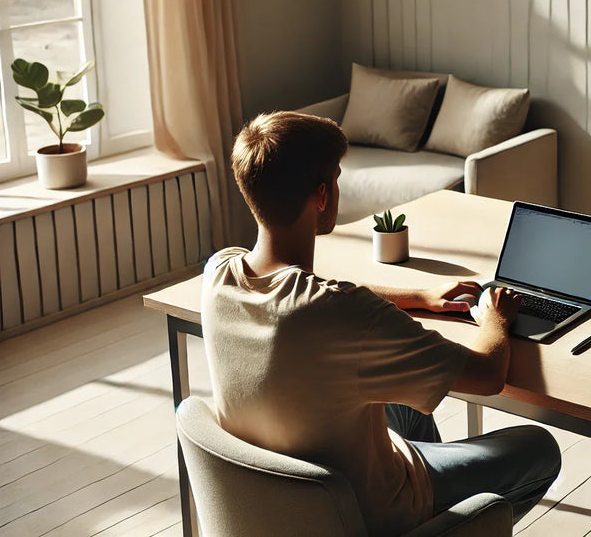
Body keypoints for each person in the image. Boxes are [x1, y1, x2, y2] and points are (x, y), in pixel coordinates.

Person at [201, 111, 561, 535]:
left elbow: (317, 293)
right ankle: (441, 522)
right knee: (539, 448)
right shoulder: (345, 315)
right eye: (336, 178)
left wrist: (419, 297)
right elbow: (487, 376)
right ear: (322, 195)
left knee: (402, 404)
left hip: (282, 501)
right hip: (367, 513)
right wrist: (496, 319)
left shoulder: (218, 274)